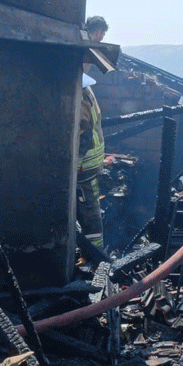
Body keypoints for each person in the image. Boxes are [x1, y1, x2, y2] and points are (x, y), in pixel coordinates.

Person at [77, 16, 109, 252]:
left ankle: (95, 256)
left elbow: (86, 133)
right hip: (87, 169)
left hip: (86, 169)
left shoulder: (83, 90)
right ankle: (95, 255)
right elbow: (85, 135)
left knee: (89, 213)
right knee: (90, 214)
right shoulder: (84, 92)